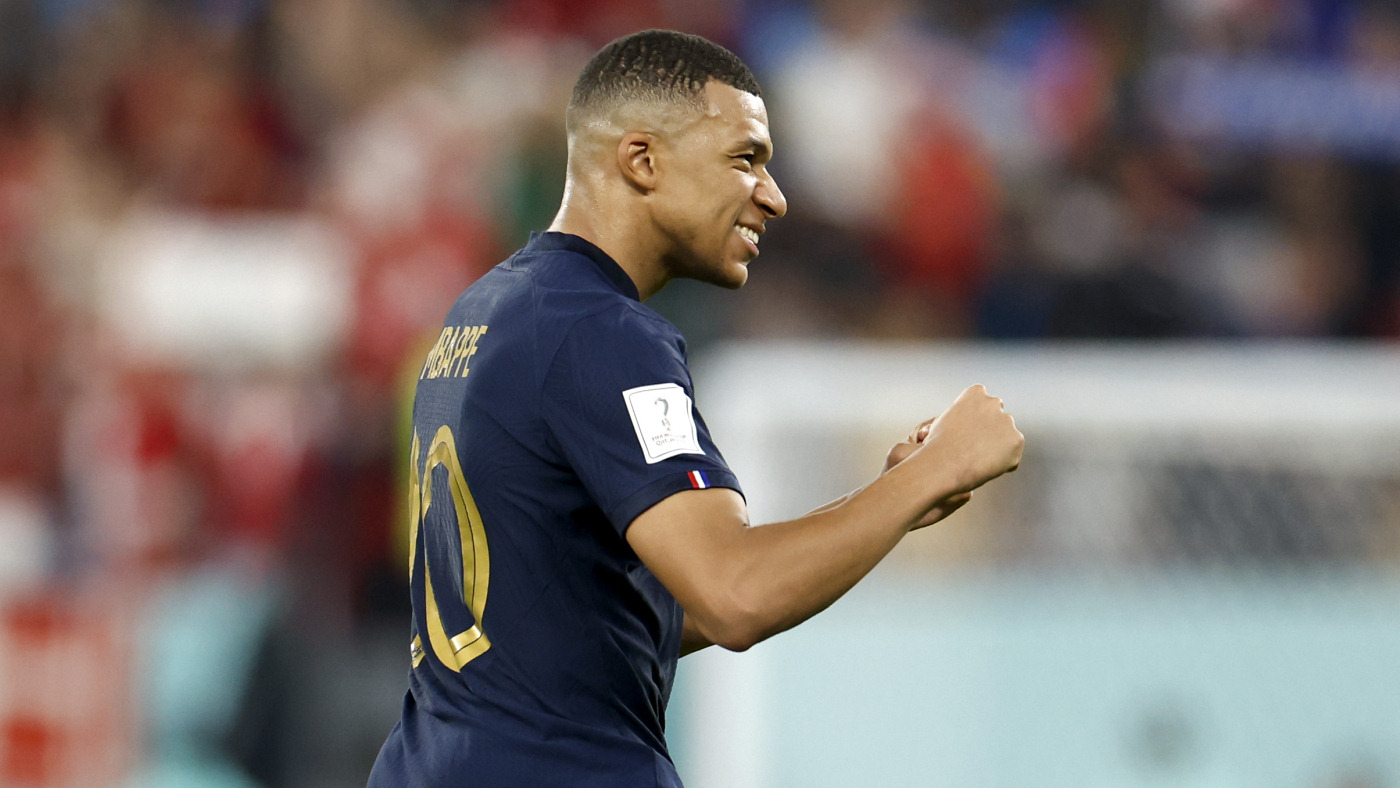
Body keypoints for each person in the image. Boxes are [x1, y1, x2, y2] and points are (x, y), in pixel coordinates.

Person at [366, 29, 1023, 788]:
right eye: (745, 159)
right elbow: (735, 593)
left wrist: (893, 499)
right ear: (642, 160)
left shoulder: (483, 315)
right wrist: (940, 467)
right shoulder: (602, 331)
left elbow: (623, 614)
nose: (773, 196)